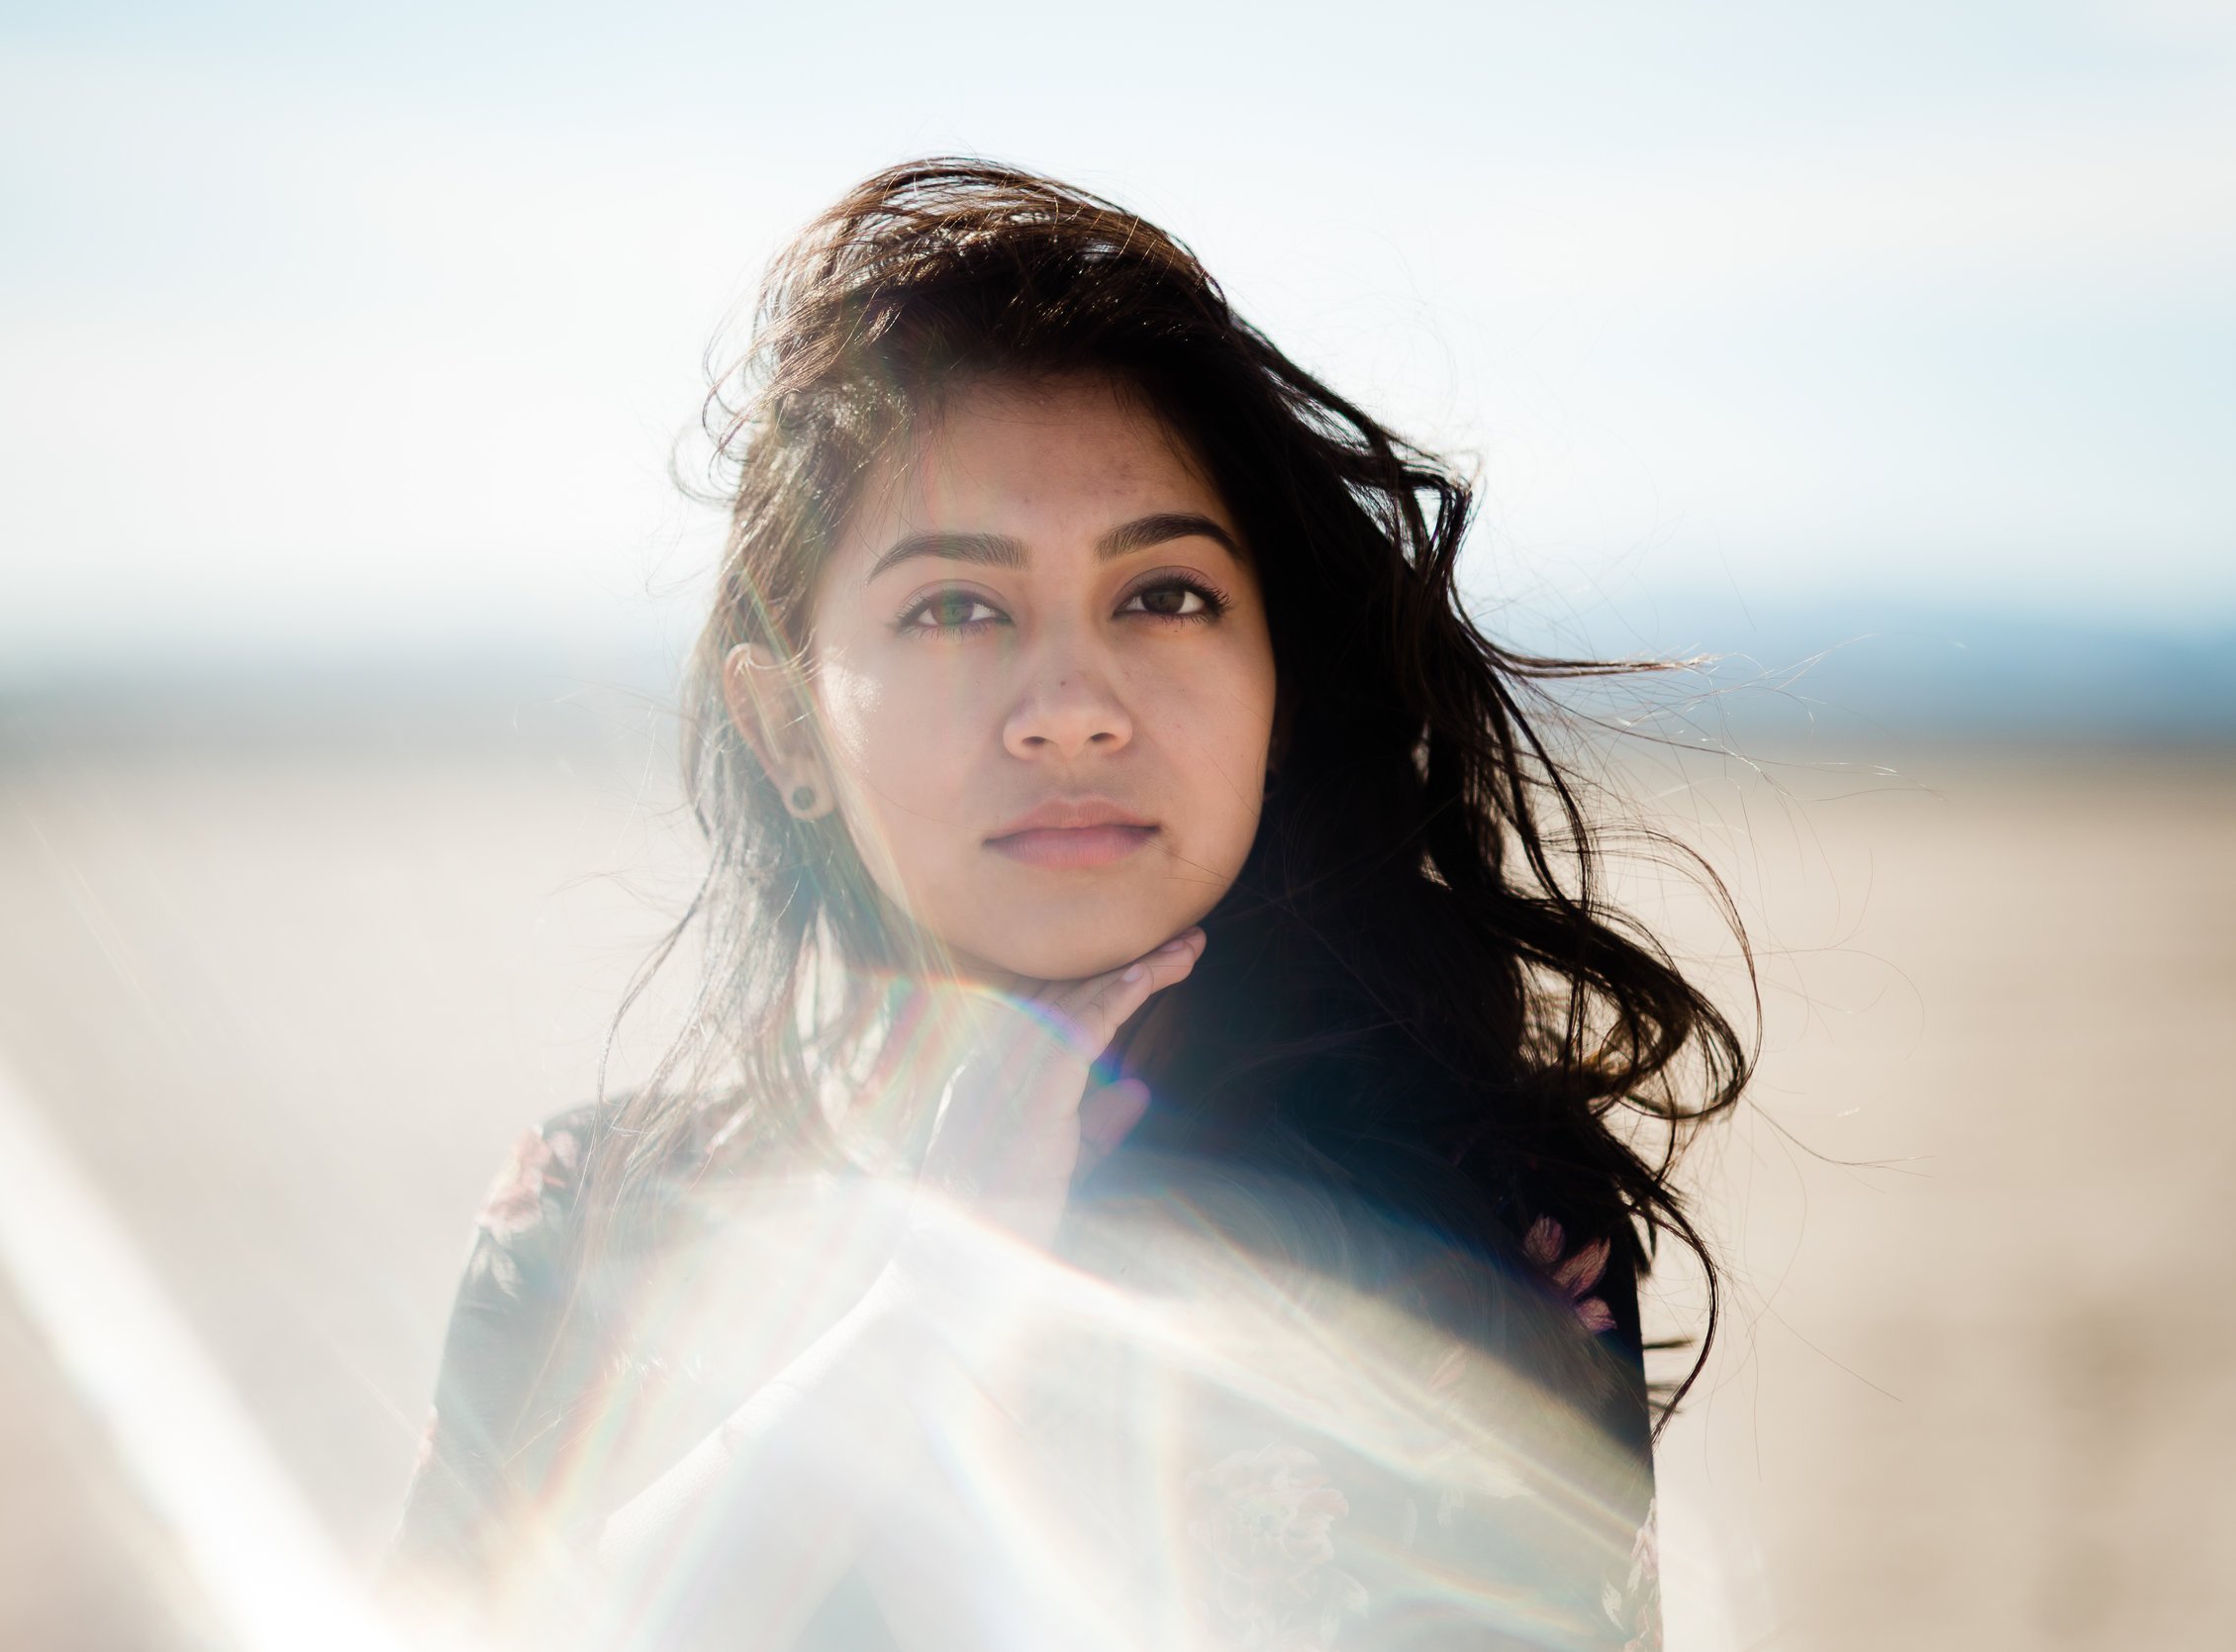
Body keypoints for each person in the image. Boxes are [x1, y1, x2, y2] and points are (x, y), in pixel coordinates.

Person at [385, 160, 1747, 1652]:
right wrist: (924, 1305)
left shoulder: (1474, 1226)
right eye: (955, 609)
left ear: (1277, 688)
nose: (1073, 709)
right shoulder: (596, 1232)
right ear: (784, 731)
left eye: (1164, 596)